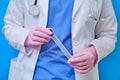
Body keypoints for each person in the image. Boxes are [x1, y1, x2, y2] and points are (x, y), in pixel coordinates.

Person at [2, 0, 117, 80]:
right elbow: (10, 26)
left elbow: (108, 34)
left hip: (79, 75)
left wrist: (94, 52)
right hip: (34, 74)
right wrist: (26, 36)